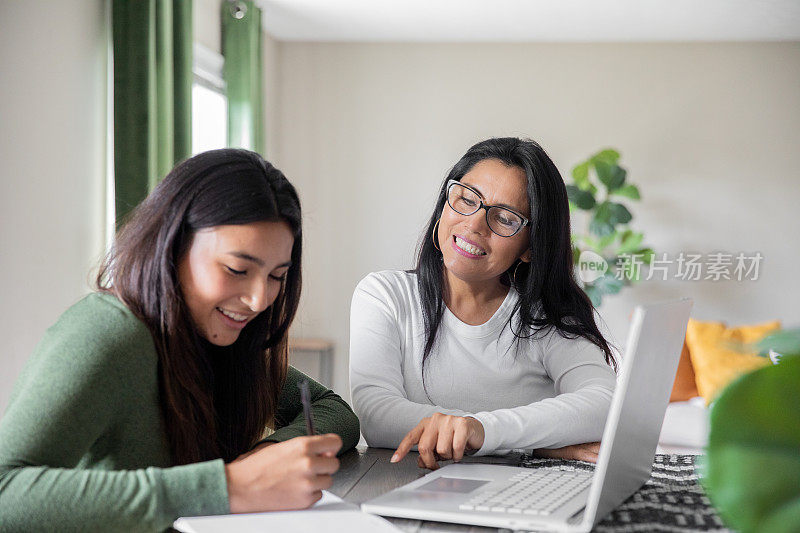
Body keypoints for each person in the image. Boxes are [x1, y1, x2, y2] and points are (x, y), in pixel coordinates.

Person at [0, 149, 360, 531]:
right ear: (173, 244)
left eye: (276, 276)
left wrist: (265, 458)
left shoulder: (220, 337)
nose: (258, 300)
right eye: (237, 269)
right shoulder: (109, 334)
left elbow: (333, 410)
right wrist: (227, 487)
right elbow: (6, 493)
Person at [350, 137, 617, 470]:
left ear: (530, 246)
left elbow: (604, 404)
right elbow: (378, 418)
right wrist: (530, 445)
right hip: (405, 483)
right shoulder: (384, 295)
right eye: (466, 199)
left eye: (505, 218)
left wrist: (484, 431)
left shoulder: (545, 315)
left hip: (520, 495)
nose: (474, 224)